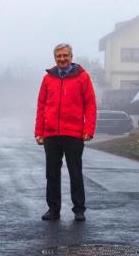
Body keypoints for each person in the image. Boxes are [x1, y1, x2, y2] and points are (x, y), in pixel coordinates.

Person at [34, 43, 97, 222]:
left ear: (71, 57)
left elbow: (90, 105)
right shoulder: (48, 79)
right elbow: (41, 106)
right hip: (51, 134)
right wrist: (39, 131)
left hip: (74, 133)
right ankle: (53, 209)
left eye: (65, 56)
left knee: (75, 172)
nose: (62, 59)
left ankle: (79, 210)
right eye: (59, 56)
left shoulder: (82, 77)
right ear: (55, 58)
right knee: (51, 173)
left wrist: (89, 129)